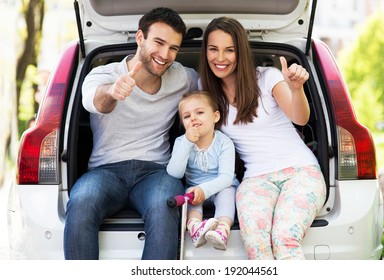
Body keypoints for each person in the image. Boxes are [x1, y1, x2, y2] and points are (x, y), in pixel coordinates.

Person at [64, 7, 199, 260]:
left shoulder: (181, 77)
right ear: (140, 38)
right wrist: (113, 92)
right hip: (106, 172)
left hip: (156, 172)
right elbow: (95, 101)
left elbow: (213, 89)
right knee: (81, 201)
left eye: (173, 48)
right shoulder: (103, 74)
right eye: (159, 43)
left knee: (166, 203)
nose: (165, 55)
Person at [199, 17, 326, 260]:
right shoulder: (205, 88)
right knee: (257, 245)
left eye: (229, 50)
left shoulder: (268, 77)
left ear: (241, 52)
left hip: (300, 171)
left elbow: (300, 118)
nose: (220, 58)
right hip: (256, 179)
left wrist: (296, 88)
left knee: (284, 237)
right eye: (213, 49)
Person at [166, 91, 238, 251]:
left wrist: (204, 190)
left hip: (220, 188)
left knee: (228, 192)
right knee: (189, 196)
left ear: (216, 117)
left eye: (199, 112)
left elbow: (226, 178)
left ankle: (222, 229)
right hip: (195, 191)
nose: (193, 118)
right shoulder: (181, 142)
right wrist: (187, 142)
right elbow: (174, 173)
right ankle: (195, 228)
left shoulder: (224, 142)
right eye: (186, 116)